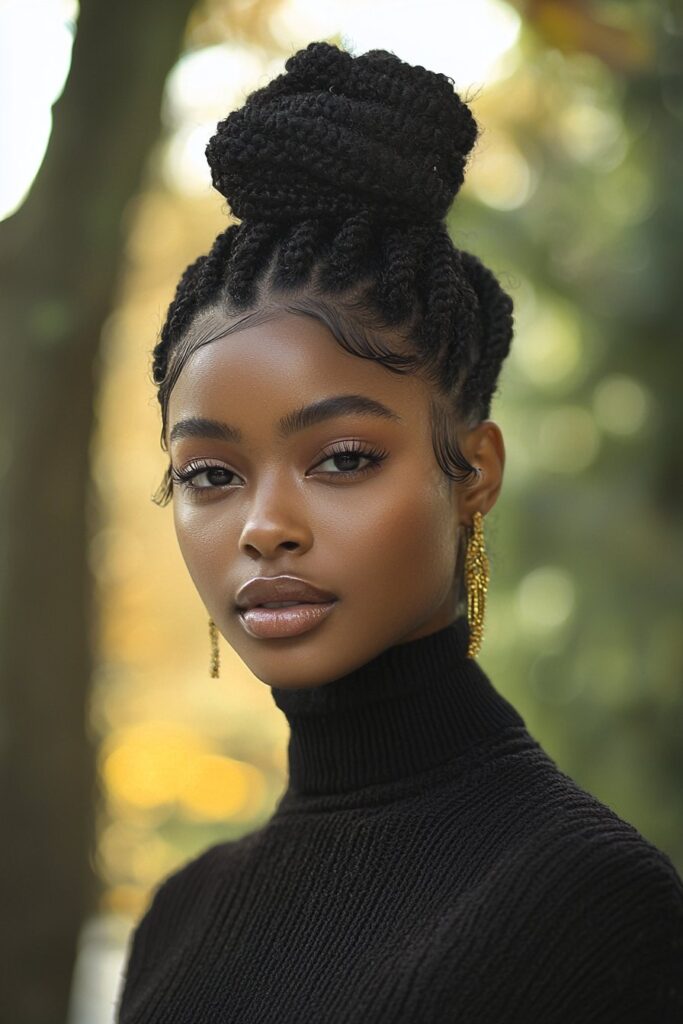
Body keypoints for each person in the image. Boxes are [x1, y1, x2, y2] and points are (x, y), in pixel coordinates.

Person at [114, 39, 683, 1023]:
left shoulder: (593, 905)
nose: (264, 527)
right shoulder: (177, 916)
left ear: (473, 472)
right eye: (210, 473)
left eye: (340, 458)